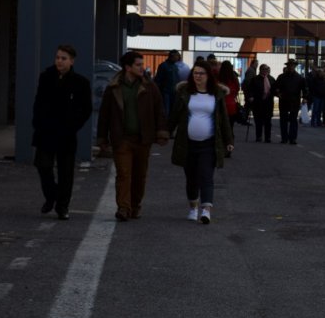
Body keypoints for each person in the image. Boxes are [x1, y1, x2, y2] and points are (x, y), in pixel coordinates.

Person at [97, 51, 169, 221]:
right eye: (138, 65)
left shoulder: (149, 87)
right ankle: (123, 208)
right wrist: (102, 138)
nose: (142, 68)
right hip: (122, 139)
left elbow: (159, 110)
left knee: (139, 175)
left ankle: (135, 206)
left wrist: (161, 132)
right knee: (124, 174)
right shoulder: (114, 88)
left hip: (143, 139)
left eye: (142, 64)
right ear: (128, 67)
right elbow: (104, 114)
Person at [169, 61, 234, 224]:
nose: (197, 76)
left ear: (208, 76)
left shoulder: (216, 94)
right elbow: (175, 115)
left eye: (201, 73)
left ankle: (206, 210)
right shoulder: (185, 92)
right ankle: (193, 207)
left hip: (209, 144)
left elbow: (224, 119)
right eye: (195, 73)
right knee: (191, 179)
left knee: (206, 176)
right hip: (188, 144)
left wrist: (228, 140)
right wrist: (164, 132)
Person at [31, 44, 92, 220]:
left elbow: (86, 109)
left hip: (66, 134)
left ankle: (62, 206)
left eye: (63, 58)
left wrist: (73, 126)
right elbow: (38, 102)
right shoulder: (46, 77)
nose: (59, 61)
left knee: (66, 172)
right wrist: (38, 122)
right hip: (45, 132)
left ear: (72, 61)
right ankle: (51, 196)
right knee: (43, 166)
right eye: (57, 57)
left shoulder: (81, 83)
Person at [276, 59, 307, 144]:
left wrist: (305, 98)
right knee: (283, 120)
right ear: (287, 66)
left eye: (292, 65)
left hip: (294, 101)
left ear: (295, 66)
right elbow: (276, 87)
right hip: (284, 100)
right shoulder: (281, 77)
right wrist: (278, 93)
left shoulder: (300, 77)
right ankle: (284, 138)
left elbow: (305, 89)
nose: (291, 67)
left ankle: (292, 138)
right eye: (289, 65)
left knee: (293, 120)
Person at [246, 64, 276, 142]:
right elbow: (250, 90)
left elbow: (275, 89)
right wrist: (250, 97)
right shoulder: (255, 79)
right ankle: (259, 136)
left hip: (268, 103)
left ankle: (268, 137)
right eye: (264, 69)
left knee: (268, 121)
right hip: (258, 102)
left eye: (267, 69)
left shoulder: (271, 79)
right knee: (258, 120)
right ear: (260, 70)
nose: (265, 71)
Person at [218, 60, 241, 152]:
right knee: (230, 128)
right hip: (231, 105)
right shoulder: (233, 78)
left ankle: (221, 147)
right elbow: (237, 89)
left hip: (221, 105)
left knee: (220, 128)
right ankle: (229, 147)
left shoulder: (219, 77)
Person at [154, 49, 181, 115]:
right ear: (172, 56)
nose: (178, 57)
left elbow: (177, 79)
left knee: (172, 111)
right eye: (177, 56)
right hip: (166, 93)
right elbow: (158, 80)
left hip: (174, 93)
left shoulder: (175, 66)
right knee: (166, 111)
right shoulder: (163, 66)